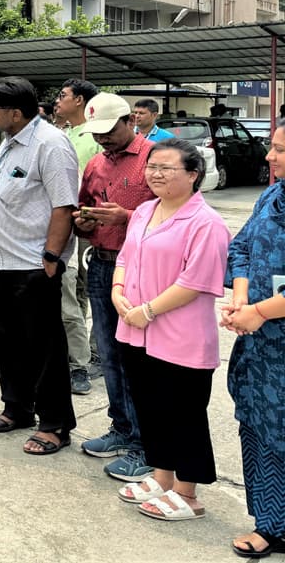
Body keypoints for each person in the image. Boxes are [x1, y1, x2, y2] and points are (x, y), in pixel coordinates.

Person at [112, 139, 229, 521]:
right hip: (136, 329)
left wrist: (147, 310)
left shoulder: (205, 222)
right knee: (151, 407)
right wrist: (117, 292)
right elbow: (126, 257)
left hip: (180, 336)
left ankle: (187, 492)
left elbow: (196, 280)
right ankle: (162, 476)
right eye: (151, 167)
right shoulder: (144, 211)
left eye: (166, 168)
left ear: (193, 175)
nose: (155, 174)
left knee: (184, 413)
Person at [0, 76, 79, 453]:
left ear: (15, 113)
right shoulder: (7, 143)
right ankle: (16, 408)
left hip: (34, 264)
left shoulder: (50, 144)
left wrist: (51, 259)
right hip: (1, 262)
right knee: (8, 342)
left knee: (44, 348)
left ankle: (54, 424)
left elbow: (63, 206)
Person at [72, 93, 157, 483]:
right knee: (108, 354)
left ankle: (145, 443)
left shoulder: (155, 159)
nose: (103, 140)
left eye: (108, 132)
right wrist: (84, 224)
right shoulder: (95, 163)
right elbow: (83, 209)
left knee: (138, 357)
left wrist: (128, 216)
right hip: (103, 265)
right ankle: (121, 427)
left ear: (129, 121)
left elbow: (176, 211)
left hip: (144, 272)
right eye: (98, 134)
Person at [221, 119, 285, 557]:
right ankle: (271, 522)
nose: (269, 156)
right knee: (260, 426)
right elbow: (240, 247)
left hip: (270, 326)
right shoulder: (272, 195)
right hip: (260, 341)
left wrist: (258, 313)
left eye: (279, 148)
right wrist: (242, 300)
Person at [55, 78, 101, 396]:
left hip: (90, 225)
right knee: (73, 292)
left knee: (91, 291)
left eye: (63, 96)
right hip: (65, 224)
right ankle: (78, 357)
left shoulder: (95, 135)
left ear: (81, 100)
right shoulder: (63, 135)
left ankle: (91, 357)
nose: (58, 101)